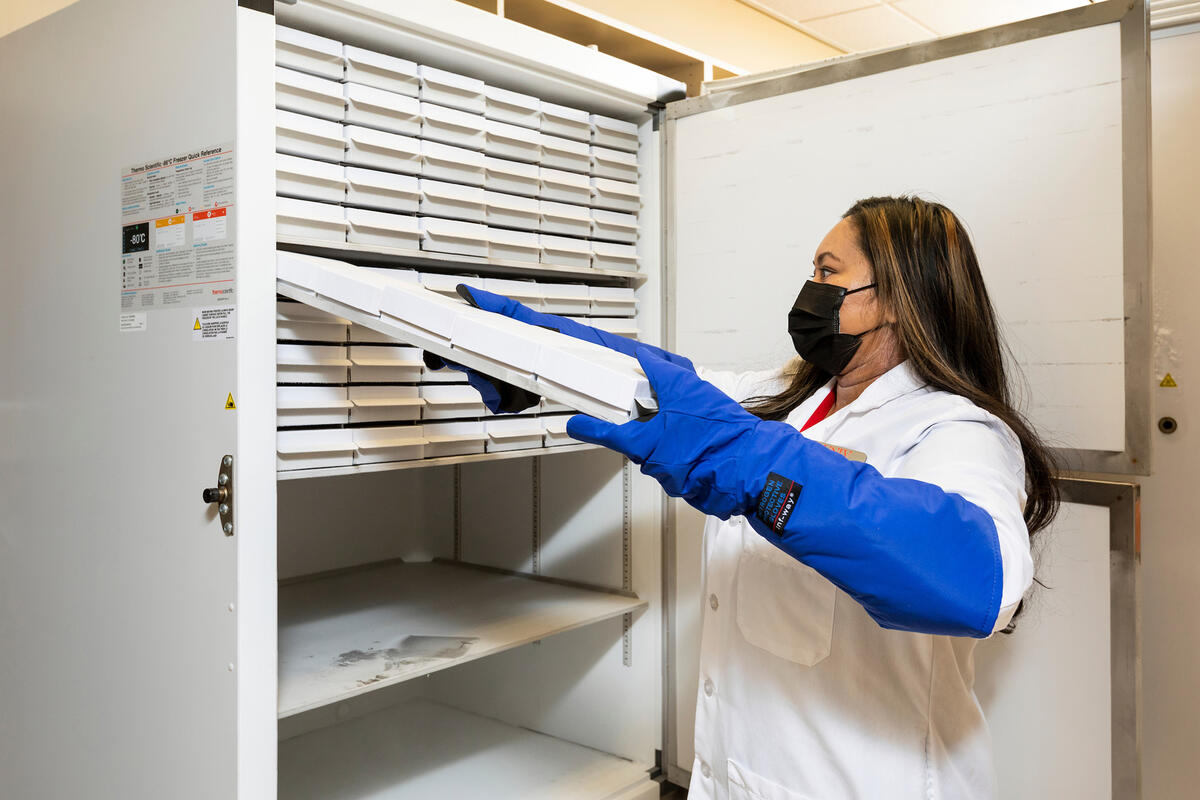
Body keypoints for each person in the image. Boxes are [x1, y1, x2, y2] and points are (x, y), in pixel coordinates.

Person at [430, 195, 1059, 799]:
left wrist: (761, 466)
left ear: (894, 299)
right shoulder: (792, 401)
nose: (809, 288)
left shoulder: (953, 429)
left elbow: (982, 581)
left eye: (826, 271)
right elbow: (661, 381)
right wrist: (527, 346)